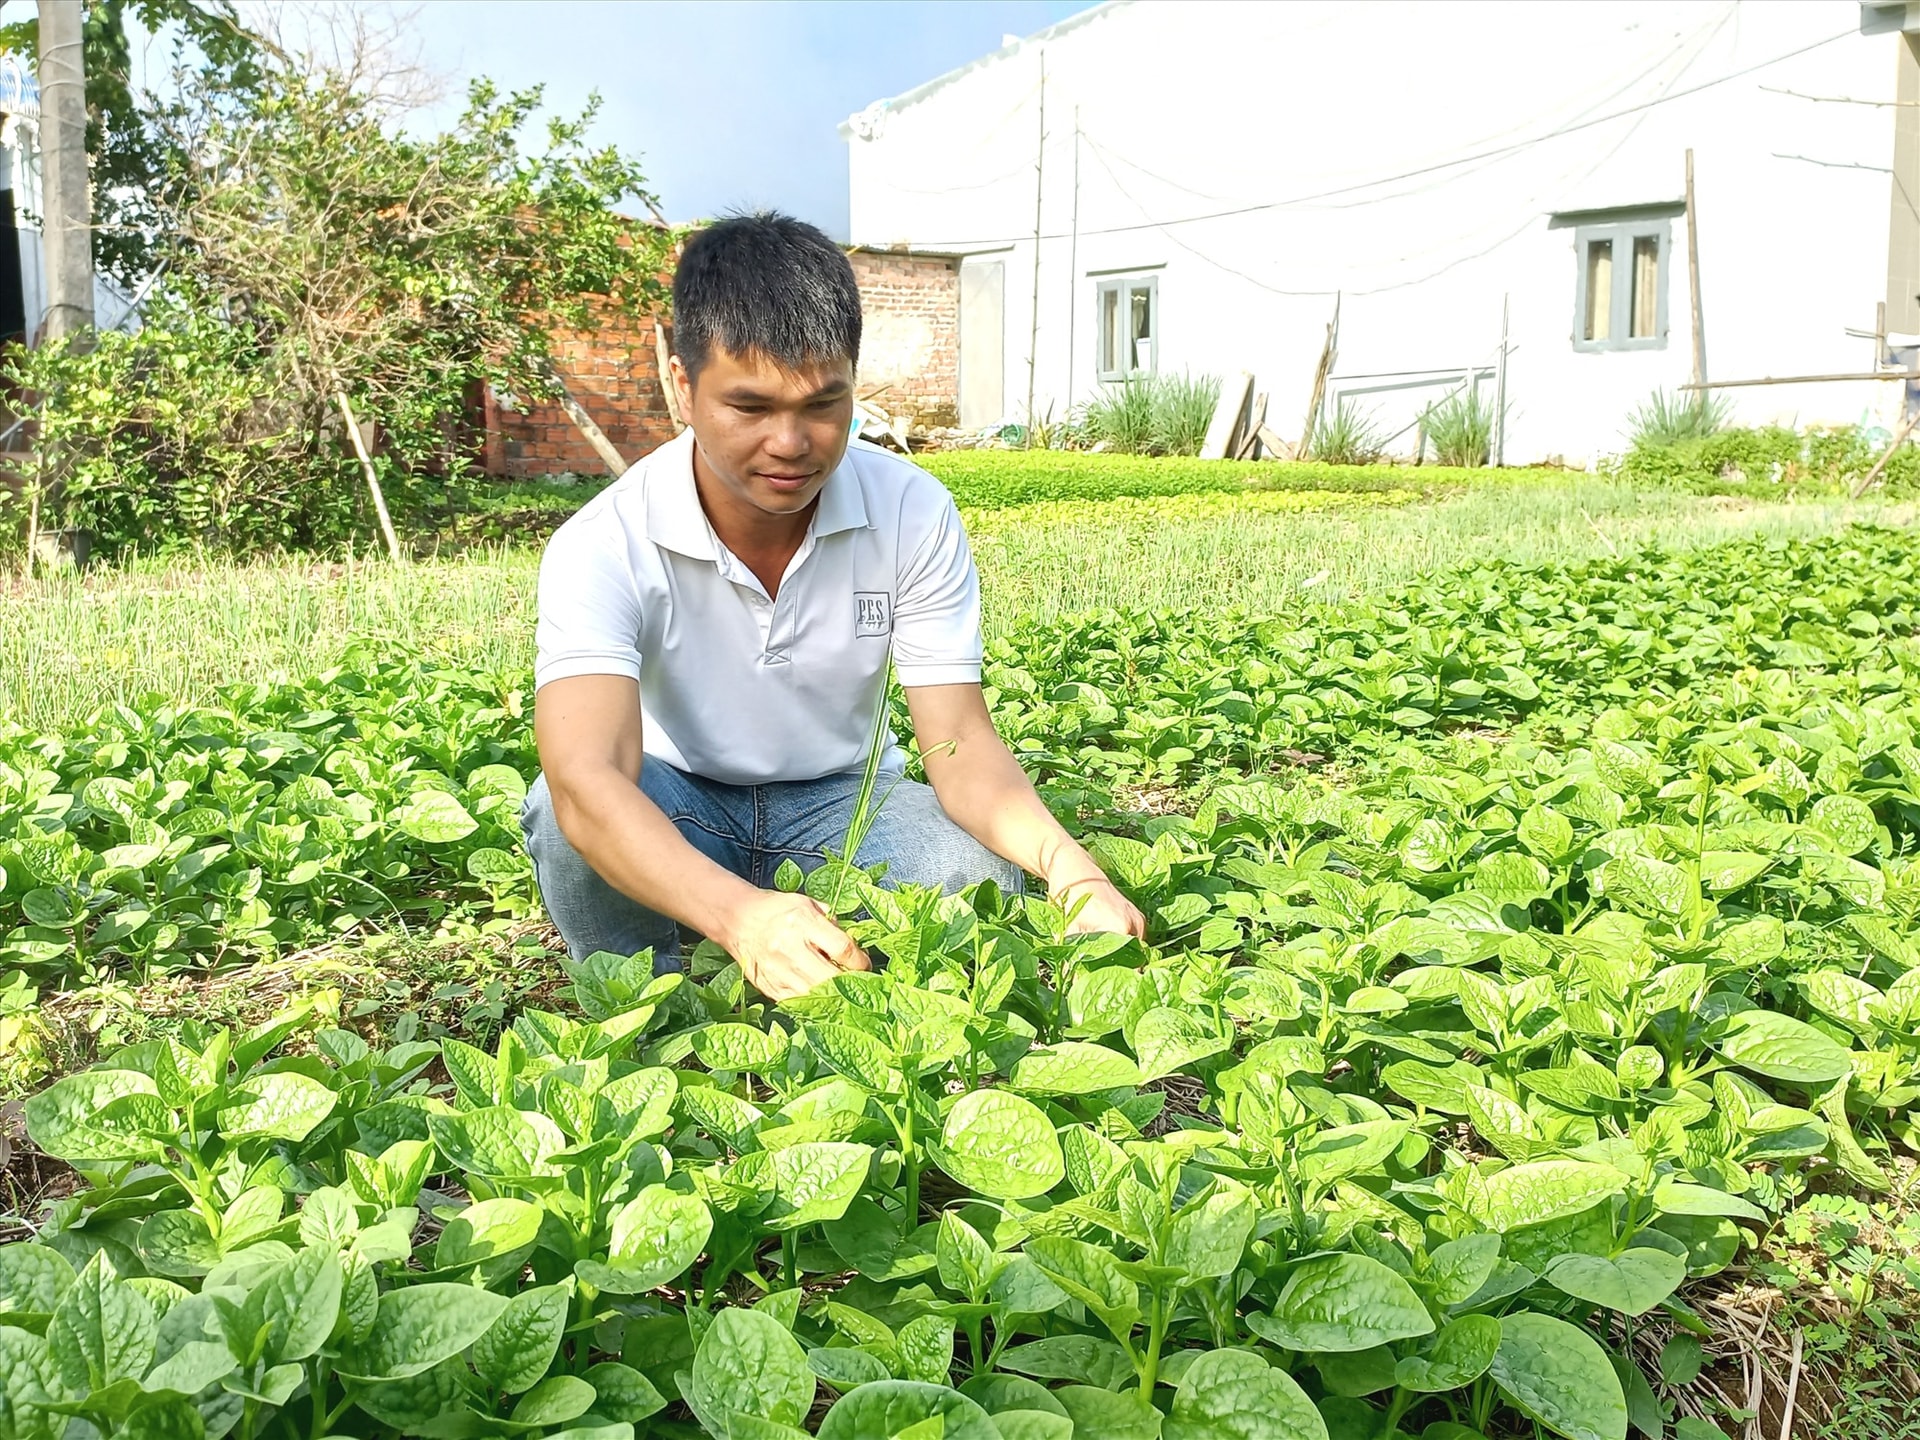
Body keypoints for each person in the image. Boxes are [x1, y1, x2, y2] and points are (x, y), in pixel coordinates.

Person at [520, 211, 1143, 1001]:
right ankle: (649, 995)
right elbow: (586, 775)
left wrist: (1072, 870)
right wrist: (744, 917)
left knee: (970, 871)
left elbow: (958, 744)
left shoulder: (911, 511)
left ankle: (792, 947)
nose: (791, 442)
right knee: (562, 816)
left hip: (842, 803)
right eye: (749, 407)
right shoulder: (604, 540)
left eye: (823, 404)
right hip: (676, 793)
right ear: (682, 385)